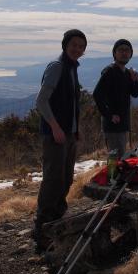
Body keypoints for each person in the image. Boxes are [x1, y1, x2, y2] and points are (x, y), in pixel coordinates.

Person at [33, 29, 87, 252]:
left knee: (65, 179)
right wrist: (55, 127)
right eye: (74, 45)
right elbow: (41, 101)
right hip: (55, 134)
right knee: (53, 180)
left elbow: (71, 103)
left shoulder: (72, 67)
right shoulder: (57, 66)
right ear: (65, 45)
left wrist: (75, 129)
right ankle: (42, 231)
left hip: (68, 134)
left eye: (81, 46)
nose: (77, 49)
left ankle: (57, 221)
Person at [93, 39, 138, 159]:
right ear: (114, 53)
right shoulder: (109, 71)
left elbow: (135, 93)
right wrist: (109, 115)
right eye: (121, 50)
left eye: (127, 50)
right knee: (115, 159)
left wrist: (137, 80)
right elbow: (97, 94)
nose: (124, 53)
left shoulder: (126, 73)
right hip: (112, 125)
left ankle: (116, 172)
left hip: (123, 124)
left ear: (131, 54)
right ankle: (112, 173)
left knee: (120, 157)